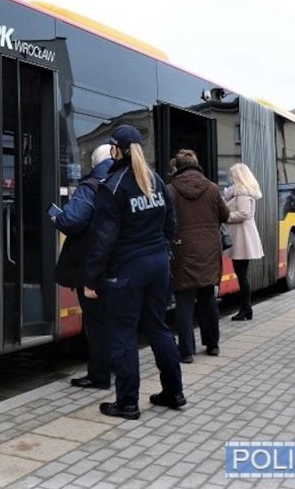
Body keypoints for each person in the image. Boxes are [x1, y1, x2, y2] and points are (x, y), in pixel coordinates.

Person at [84, 124, 183, 420]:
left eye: (113, 146)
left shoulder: (113, 185)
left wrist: (91, 277)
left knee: (123, 334)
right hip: (158, 264)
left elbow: (104, 239)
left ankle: (127, 403)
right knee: (158, 328)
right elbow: (171, 224)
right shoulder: (154, 180)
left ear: (119, 150)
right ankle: (174, 392)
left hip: (128, 269)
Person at [53, 144, 114, 390]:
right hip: (122, 265)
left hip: (94, 265)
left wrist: (58, 217)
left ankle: (99, 375)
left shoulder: (91, 186)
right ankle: (118, 367)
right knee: (116, 320)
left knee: (97, 323)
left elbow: (73, 219)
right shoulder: (129, 182)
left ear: (95, 163)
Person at [167, 149, 230, 362]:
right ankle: (212, 345)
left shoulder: (171, 190)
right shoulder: (212, 188)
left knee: (184, 301)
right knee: (208, 298)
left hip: (182, 250)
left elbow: (167, 221)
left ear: (177, 166)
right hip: (210, 250)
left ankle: (186, 351)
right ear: (196, 164)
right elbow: (225, 215)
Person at [224, 163, 264, 321]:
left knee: (241, 274)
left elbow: (243, 213)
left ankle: (246, 308)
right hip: (243, 234)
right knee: (242, 273)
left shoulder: (241, 192)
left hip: (242, 235)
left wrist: (225, 217)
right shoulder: (242, 191)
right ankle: (246, 308)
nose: (231, 177)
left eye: (233, 174)